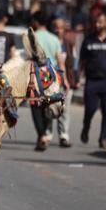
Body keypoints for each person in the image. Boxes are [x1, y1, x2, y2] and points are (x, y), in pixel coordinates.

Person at [77, 13, 106, 149]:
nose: (97, 25)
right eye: (96, 22)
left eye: (100, 22)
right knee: (90, 108)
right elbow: (82, 61)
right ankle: (86, 125)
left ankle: (103, 138)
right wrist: (78, 78)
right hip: (92, 81)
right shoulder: (88, 40)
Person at [30, 11, 66, 151]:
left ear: (37, 22)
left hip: (37, 76)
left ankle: (42, 134)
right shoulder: (54, 39)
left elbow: (28, 57)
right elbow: (59, 60)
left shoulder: (33, 37)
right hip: (52, 76)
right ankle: (45, 132)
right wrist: (63, 80)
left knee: (35, 106)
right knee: (49, 104)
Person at [51, 17, 75, 148]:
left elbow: (73, 61)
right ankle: (47, 135)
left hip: (66, 81)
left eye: (60, 27)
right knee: (50, 109)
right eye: (55, 27)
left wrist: (74, 78)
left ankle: (64, 135)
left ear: (64, 29)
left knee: (65, 109)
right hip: (50, 82)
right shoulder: (50, 42)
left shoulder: (68, 43)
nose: (58, 30)